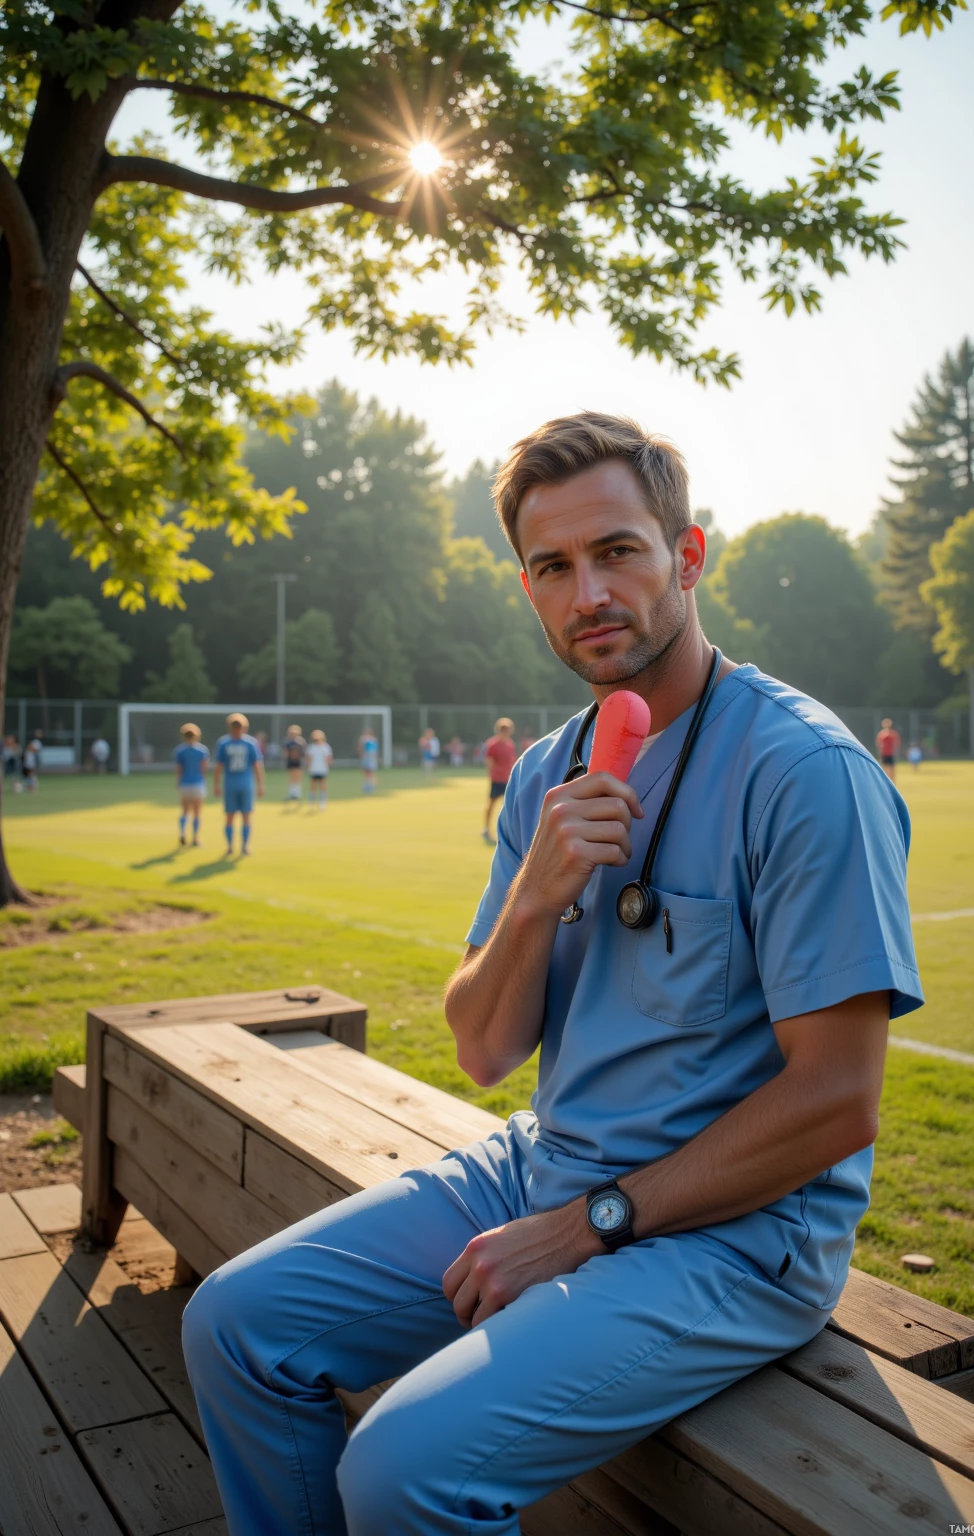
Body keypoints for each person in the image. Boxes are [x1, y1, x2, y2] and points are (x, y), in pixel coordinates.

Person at [183, 412, 923, 1536]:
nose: (589, 593)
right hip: (546, 1163)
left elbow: (836, 1101)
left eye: (618, 551)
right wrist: (534, 896)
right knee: (235, 1324)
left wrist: (588, 1225)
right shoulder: (544, 772)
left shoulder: (804, 771)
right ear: (526, 585)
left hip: (733, 1238)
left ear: (685, 556)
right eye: (553, 566)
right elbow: (483, 1049)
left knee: (400, 1470)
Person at [213, 713, 264, 856]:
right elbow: (257, 766)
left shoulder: (223, 743)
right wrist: (260, 785)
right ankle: (244, 847)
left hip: (231, 784)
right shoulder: (250, 743)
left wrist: (216, 785)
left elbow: (218, 767)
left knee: (231, 816)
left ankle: (230, 847)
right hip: (245, 784)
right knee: (246, 817)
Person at [482, 717, 517, 845]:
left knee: (507, 806)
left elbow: (512, 761)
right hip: (497, 779)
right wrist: (494, 774)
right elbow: (489, 761)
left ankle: (507, 833)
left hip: (507, 779)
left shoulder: (510, 744)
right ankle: (486, 829)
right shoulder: (493, 744)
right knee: (492, 804)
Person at [174, 724, 210, 846]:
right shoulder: (202, 750)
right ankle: (195, 838)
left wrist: (178, 781)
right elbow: (204, 768)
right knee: (197, 812)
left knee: (184, 811)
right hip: (197, 783)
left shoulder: (180, 751)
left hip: (185, 784)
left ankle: (183, 833)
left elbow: (179, 769)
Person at [306, 729, 333, 809]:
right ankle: (311, 803)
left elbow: (329, 758)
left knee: (323, 786)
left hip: (322, 769)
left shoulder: (326, 747)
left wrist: (328, 763)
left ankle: (322, 803)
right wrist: (308, 766)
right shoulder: (311, 747)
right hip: (314, 769)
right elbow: (308, 758)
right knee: (312, 787)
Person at [282, 725, 307, 805]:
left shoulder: (301, 741)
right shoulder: (287, 742)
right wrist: (285, 760)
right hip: (291, 762)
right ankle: (291, 793)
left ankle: (297, 794)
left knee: (298, 778)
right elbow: (285, 752)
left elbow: (303, 752)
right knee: (292, 778)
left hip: (298, 762)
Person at [875, 717, 901, 782]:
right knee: (884, 768)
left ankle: (892, 782)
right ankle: (885, 782)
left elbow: (897, 743)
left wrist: (896, 752)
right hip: (884, 754)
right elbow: (878, 744)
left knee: (892, 769)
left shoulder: (893, 734)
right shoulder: (881, 734)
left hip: (891, 754)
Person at [358, 727, 379, 795]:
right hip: (367, 758)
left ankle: (369, 786)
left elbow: (374, 750)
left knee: (369, 773)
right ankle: (368, 786)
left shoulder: (370, 740)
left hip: (369, 758)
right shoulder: (365, 739)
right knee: (367, 773)